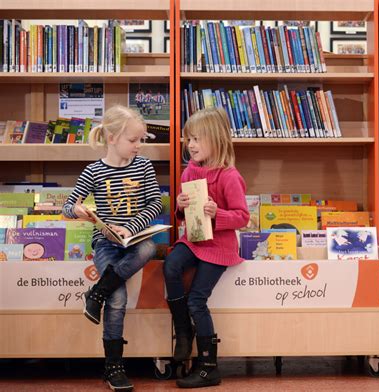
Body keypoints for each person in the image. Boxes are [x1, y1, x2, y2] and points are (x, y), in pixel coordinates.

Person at [62, 105, 162, 392]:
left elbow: (156, 203)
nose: (138, 146)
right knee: (117, 301)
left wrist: (130, 227)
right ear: (112, 138)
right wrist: (78, 211)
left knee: (148, 250)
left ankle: (96, 293)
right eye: (133, 140)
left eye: (141, 140)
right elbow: (68, 207)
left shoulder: (142, 166)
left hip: (135, 238)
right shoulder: (93, 171)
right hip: (106, 241)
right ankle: (113, 368)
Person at [163, 107, 249, 388]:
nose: (190, 145)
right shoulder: (189, 172)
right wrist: (180, 207)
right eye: (188, 139)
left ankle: (209, 366)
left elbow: (243, 217)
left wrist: (218, 214)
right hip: (195, 238)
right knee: (171, 265)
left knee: (197, 300)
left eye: (197, 139)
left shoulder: (229, 176)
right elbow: (185, 216)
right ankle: (183, 331)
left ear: (216, 139)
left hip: (219, 246)